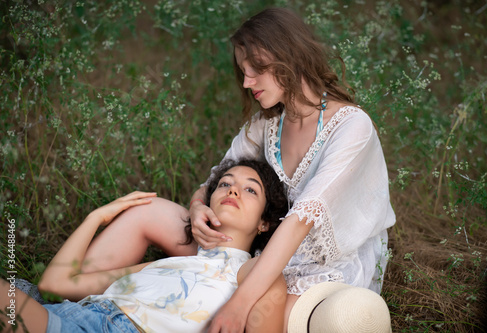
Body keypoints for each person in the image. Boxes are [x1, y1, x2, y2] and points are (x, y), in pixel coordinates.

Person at [77, 7, 396, 332]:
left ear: (291, 57)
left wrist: (239, 304)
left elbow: (301, 221)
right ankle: (72, 292)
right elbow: (211, 182)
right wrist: (197, 206)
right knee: (148, 210)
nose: (246, 82)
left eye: (256, 68)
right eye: (243, 70)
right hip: (254, 246)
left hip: (322, 267)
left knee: (277, 313)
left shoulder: (352, 127)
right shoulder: (266, 124)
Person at [0, 159, 289, 333]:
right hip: (75, 315)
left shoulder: (249, 270)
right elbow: (55, 285)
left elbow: (272, 280)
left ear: (264, 223)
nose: (233, 189)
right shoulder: (160, 266)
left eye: (251, 189)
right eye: (225, 184)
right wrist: (95, 217)